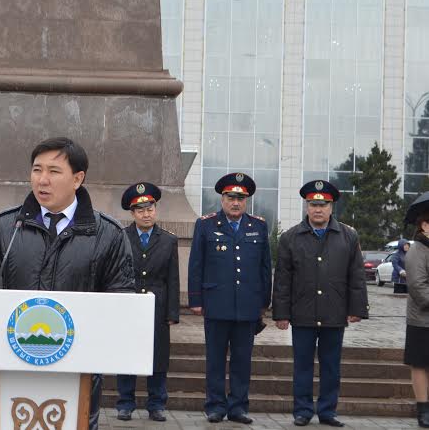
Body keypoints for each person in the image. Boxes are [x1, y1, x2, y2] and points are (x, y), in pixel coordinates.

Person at [0, 137, 134, 430]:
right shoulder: (7, 227)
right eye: (36, 170)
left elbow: (122, 304)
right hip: (8, 371)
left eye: (54, 171)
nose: (42, 180)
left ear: (77, 179)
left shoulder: (108, 234)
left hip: (76, 375)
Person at [272, 180, 368, 427]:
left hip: (334, 313)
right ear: (306, 206)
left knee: (331, 367)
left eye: (323, 205)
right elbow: (282, 279)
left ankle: (327, 411)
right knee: (302, 367)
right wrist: (281, 314)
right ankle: (302, 411)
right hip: (301, 314)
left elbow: (356, 276)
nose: (318, 209)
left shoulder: (348, 235)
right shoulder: (291, 237)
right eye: (313, 204)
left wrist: (357, 309)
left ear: (331, 206)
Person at [187, 172, 271, 425]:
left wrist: (263, 303)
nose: (236, 203)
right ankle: (214, 406)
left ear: (246, 201)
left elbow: (265, 267)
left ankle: (238, 407)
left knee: (242, 360)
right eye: (231, 198)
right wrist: (195, 300)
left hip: (247, 304)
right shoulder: (206, 224)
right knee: (215, 359)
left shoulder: (258, 226)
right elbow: (196, 265)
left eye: (240, 198)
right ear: (222, 199)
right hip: (216, 303)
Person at [115, 182, 179, 422]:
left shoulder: (168, 241)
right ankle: (125, 403)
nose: (146, 213)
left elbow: (173, 279)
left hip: (158, 306)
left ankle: (156, 404)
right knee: (127, 354)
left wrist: (172, 312)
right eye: (140, 210)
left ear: (156, 210)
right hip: (129, 304)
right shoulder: (121, 237)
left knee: (158, 357)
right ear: (132, 214)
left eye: (150, 208)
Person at [404, 197, 429, 428]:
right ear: (425, 226)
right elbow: (418, 288)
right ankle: (423, 409)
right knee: (420, 365)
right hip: (422, 320)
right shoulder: (417, 251)